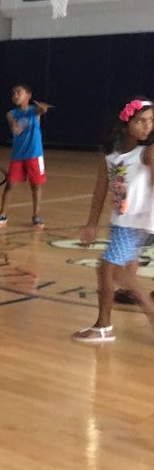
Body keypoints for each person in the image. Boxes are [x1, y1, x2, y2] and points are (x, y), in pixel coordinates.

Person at [72, 98, 154, 344]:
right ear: (126, 122)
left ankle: (105, 326)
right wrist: (91, 223)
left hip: (139, 222)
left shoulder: (148, 151)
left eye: (151, 121)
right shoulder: (111, 153)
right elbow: (100, 189)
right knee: (123, 270)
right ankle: (104, 326)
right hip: (121, 219)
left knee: (110, 269)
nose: (147, 126)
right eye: (141, 121)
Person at [0, 85, 52, 229]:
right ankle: (2, 214)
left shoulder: (34, 111)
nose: (15, 95)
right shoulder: (11, 113)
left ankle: (36, 215)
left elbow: (41, 110)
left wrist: (43, 108)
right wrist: (16, 126)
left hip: (34, 154)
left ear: (28, 95)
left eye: (19, 93)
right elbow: (14, 126)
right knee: (10, 185)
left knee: (36, 185)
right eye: (13, 94)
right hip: (18, 154)